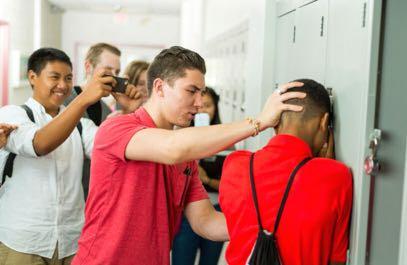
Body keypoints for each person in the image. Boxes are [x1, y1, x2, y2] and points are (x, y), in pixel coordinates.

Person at [72, 45, 306, 265]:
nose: (199, 103)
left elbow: (206, 222)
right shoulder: (117, 129)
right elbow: (172, 148)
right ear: (160, 87)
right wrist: (260, 122)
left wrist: (272, 224)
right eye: (191, 91)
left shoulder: (186, 158)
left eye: (202, 92)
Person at [0, 47, 138, 265]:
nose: (63, 85)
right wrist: (83, 99)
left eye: (68, 78)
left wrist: (132, 112)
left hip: (70, 242)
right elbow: (39, 144)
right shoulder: (13, 114)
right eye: (54, 77)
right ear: (32, 77)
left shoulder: (81, 126)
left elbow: (115, 150)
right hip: (24, 242)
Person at [219, 79, 353, 265]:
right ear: (324, 122)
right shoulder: (337, 176)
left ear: (274, 122)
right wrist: (324, 166)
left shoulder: (235, 165)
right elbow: (336, 260)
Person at [65, 43, 144, 198]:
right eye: (108, 71)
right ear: (88, 67)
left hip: (94, 195)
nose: (114, 77)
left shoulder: (107, 111)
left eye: (117, 72)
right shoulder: (65, 101)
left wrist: (129, 111)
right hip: (67, 195)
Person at [172, 87, 227, 265]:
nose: (202, 110)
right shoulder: (179, 139)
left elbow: (228, 187)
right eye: (199, 106)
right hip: (185, 212)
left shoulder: (226, 143)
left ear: (216, 108)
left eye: (208, 106)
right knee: (182, 260)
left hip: (216, 208)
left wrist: (207, 180)